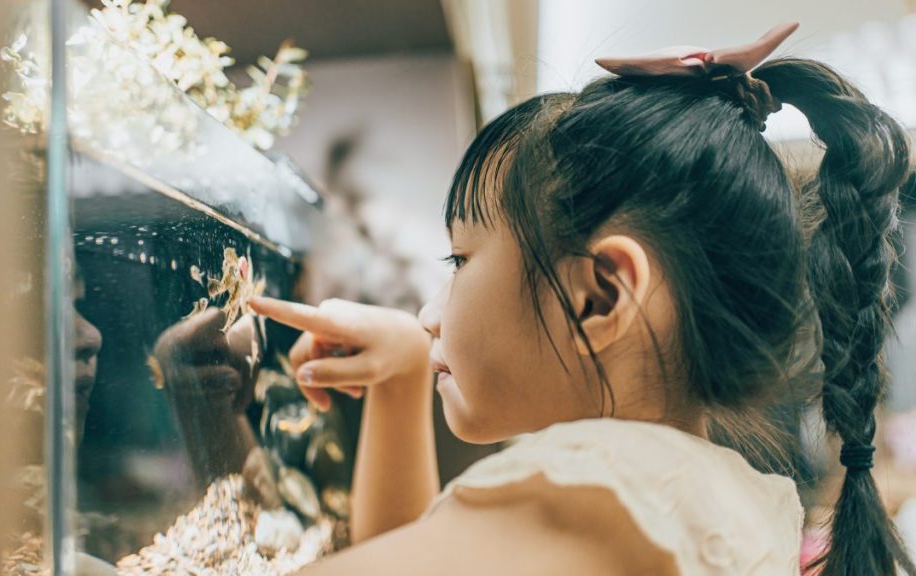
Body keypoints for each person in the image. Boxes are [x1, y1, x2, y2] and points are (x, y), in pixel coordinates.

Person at [245, 23, 916, 576]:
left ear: (598, 295)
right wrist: (398, 383)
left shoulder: (603, 492)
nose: (429, 312)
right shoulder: (711, 492)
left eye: (461, 261)